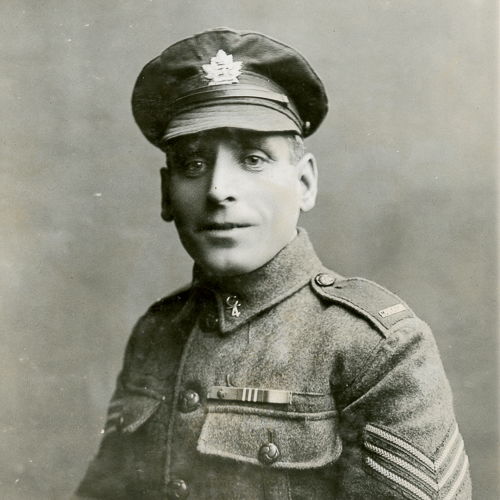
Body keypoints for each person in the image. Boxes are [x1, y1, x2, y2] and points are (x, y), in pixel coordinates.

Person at [74, 28, 471, 500]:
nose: (219, 189)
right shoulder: (156, 332)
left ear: (304, 183)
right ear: (166, 193)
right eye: (193, 164)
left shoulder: (376, 348)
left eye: (253, 159)